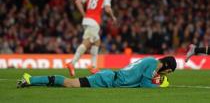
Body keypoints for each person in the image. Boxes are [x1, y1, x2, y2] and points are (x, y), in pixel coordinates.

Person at [17, 56, 176, 88]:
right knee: (69, 84)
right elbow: (145, 84)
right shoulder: (153, 65)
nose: (166, 74)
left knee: (69, 84)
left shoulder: (149, 60)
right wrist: (162, 85)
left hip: (109, 77)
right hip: (108, 80)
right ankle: (31, 79)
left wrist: (158, 80)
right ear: (167, 67)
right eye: (168, 72)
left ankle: (37, 82)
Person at [66, 0, 117, 76]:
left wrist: (84, 14)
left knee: (97, 41)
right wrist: (113, 17)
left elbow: (77, 1)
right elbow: (107, 8)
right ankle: (72, 63)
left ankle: (93, 66)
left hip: (86, 20)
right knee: (87, 41)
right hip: (94, 22)